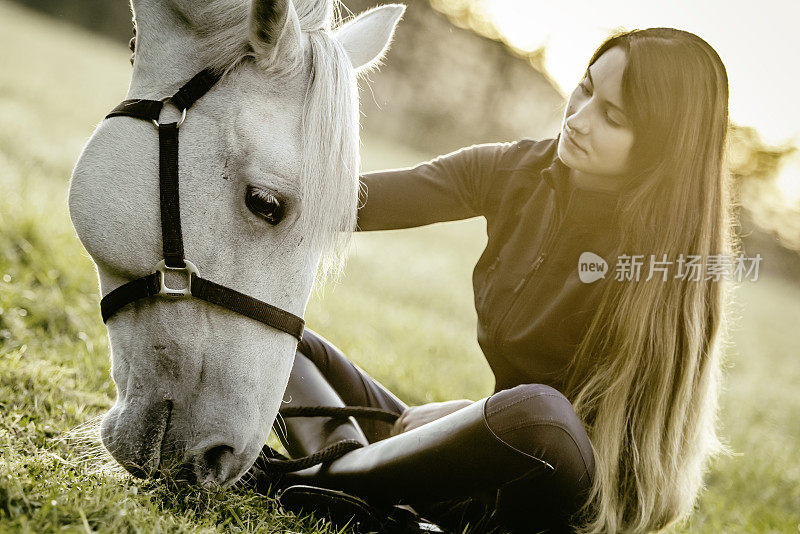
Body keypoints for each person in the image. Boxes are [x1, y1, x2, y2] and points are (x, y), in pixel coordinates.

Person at [273, 27, 736, 534]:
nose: (578, 120)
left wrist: (476, 414)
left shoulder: (665, 266)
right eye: (585, 88)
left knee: (541, 413)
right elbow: (347, 201)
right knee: (285, 337)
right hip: (478, 471)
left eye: (613, 116)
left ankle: (323, 483)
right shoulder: (516, 171)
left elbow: (588, 439)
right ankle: (356, 493)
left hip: (555, 500)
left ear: (660, 147)